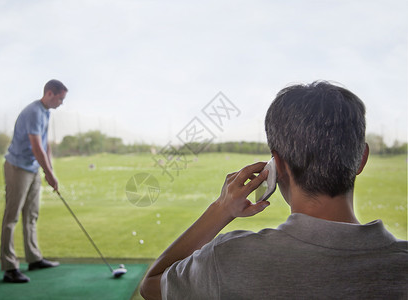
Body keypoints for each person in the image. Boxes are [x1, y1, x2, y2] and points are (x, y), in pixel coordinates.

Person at [140, 81, 408, 299]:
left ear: (277, 164)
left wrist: (221, 209)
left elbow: (151, 284)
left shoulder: (227, 260)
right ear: (361, 158)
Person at [0, 79, 68, 283]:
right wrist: (48, 172)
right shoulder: (33, 112)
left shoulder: (46, 113)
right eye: (60, 99)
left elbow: (45, 145)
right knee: (11, 217)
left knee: (32, 215)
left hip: (32, 169)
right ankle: (9, 267)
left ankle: (34, 258)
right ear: (49, 93)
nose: (61, 103)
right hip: (18, 168)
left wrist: (50, 171)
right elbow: (36, 146)